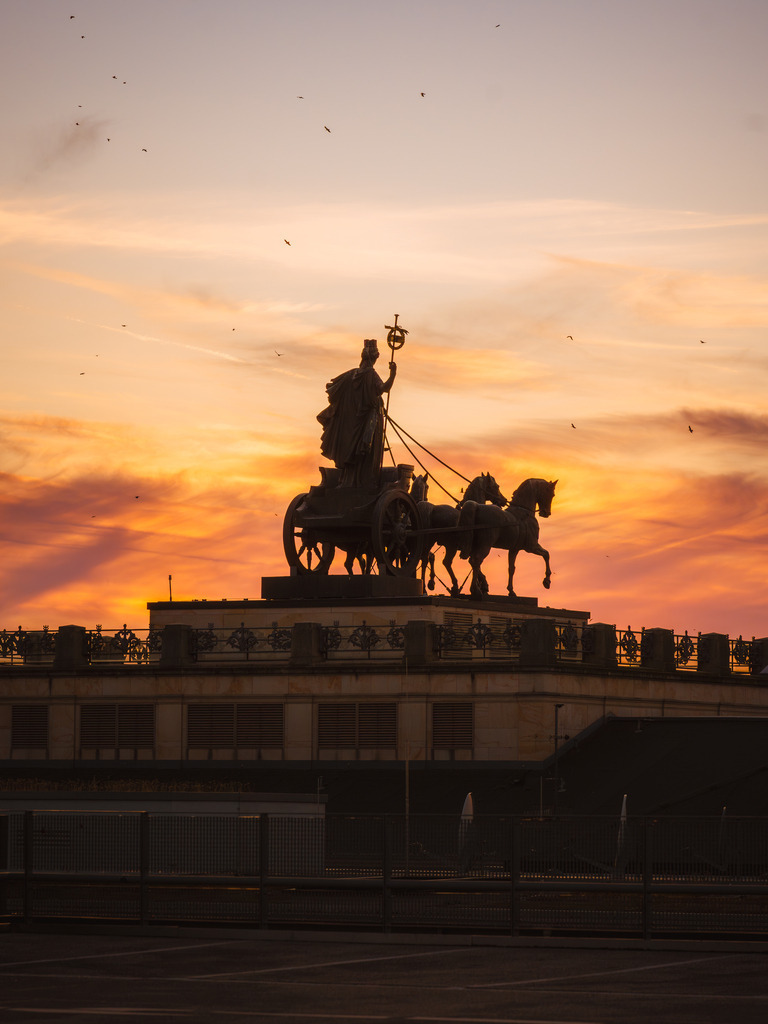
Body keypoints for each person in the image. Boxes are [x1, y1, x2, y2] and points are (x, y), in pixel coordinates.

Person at [317, 338, 397, 488]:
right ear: (374, 358)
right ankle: (362, 483)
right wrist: (393, 373)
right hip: (367, 423)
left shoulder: (351, 375)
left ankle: (347, 481)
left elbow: (336, 393)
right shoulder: (371, 375)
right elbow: (384, 388)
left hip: (350, 425)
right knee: (365, 453)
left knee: (352, 453)